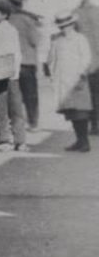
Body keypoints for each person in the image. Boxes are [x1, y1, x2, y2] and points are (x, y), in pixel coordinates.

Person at [0, 0, 26, 152]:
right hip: (13, 74)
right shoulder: (13, 30)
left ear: (3, 14)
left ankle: (4, 140)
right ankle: (20, 141)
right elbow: (17, 53)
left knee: (1, 108)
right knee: (16, 109)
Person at [47, 9, 93, 152]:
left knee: (81, 111)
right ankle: (79, 140)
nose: (64, 28)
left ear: (72, 24)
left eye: (67, 25)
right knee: (71, 112)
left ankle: (85, 141)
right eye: (61, 26)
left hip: (78, 80)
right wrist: (53, 76)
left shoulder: (80, 39)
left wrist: (81, 74)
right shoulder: (56, 40)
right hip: (63, 81)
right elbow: (51, 60)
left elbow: (86, 58)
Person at [8, 0, 42, 130]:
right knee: (30, 95)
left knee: (14, 95)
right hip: (27, 62)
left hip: (11, 63)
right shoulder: (29, 20)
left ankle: (15, 122)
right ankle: (33, 122)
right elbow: (35, 41)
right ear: (22, 2)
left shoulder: (8, 19)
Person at [74, 0, 99, 134]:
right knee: (86, 94)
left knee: (96, 93)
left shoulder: (97, 11)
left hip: (97, 59)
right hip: (82, 60)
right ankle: (93, 124)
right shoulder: (75, 13)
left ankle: (96, 124)